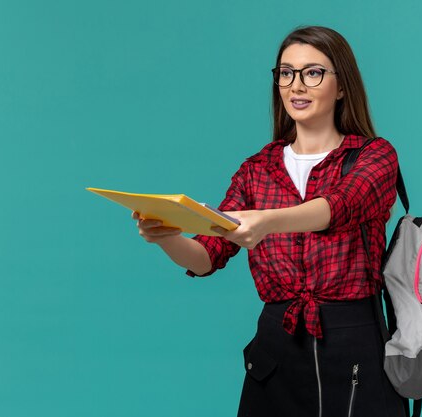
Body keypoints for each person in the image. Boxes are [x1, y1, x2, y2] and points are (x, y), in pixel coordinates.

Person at [133, 25, 406, 417]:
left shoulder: (374, 156)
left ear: (342, 86)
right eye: (286, 73)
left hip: (354, 346)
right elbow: (207, 255)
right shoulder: (256, 170)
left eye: (313, 72)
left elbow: (340, 206)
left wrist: (265, 221)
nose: (297, 85)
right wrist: (166, 237)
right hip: (276, 350)